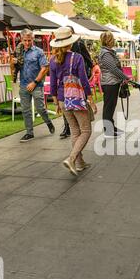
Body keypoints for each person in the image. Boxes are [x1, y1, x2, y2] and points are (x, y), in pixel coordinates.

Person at [49, 27, 97, 175]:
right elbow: (83, 80)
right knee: (86, 131)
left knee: (75, 131)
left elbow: (52, 83)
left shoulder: (52, 60)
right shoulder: (77, 58)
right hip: (76, 99)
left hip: (63, 100)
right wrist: (90, 99)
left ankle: (80, 163)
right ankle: (71, 158)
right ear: (70, 43)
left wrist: (56, 102)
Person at [13, 29, 55, 143]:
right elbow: (14, 68)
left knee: (40, 108)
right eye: (25, 40)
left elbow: (44, 68)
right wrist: (13, 63)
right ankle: (29, 133)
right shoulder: (18, 52)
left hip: (36, 84)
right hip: (23, 85)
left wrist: (34, 82)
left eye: (29, 40)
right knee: (26, 110)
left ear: (33, 39)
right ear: (21, 39)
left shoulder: (38, 52)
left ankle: (48, 122)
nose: (27, 43)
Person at [59, 26, 94, 140]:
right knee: (67, 103)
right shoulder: (59, 53)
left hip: (78, 80)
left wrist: (91, 70)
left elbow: (88, 59)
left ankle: (76, 126)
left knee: (76, 105)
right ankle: (67, 127)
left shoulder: (79, 45)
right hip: (65, 84)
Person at [98, 31, 130, 138]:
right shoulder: (106, 54)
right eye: (113, 39)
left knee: (111, 106)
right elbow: (113, 68)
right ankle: (108, 130)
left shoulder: (108, 52)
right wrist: (124, 77)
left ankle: (111, 127)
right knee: (109, 107)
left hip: (112, 82)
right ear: (109, 40)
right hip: (109, 83)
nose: (114, 41)